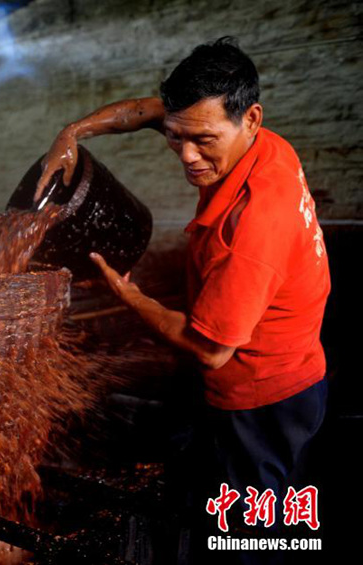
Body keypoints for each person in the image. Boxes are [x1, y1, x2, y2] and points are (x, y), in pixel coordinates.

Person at [37, 38, 329, 560]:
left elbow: (210, 349)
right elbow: (148, 110)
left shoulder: (255, 224)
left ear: (251, 118)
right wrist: (72, 133)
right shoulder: (261, 143)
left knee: (253, 535)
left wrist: (131, 296)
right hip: (294, 366)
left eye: (203, 140)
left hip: (262, 397)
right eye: (176, 138)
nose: (188, 156)